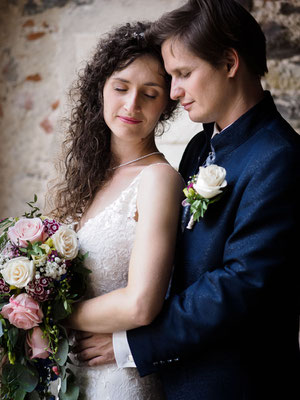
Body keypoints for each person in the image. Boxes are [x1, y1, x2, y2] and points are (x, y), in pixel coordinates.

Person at [73, 1, 300, 399]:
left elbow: (240, 286)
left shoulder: (280, 157)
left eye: (183, 74)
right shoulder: (200, 145)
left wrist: (131, 343)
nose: (175, 92)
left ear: (229, 63)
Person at [49, 21, 184, 399]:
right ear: (101, 89)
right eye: (121, 88)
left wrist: (46, 307)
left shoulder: (158, 179)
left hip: (119, 382)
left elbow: (141, 305)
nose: (131, 105)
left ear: (167, 104)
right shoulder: (90, 178)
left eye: (150, 94)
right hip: (73, 376)